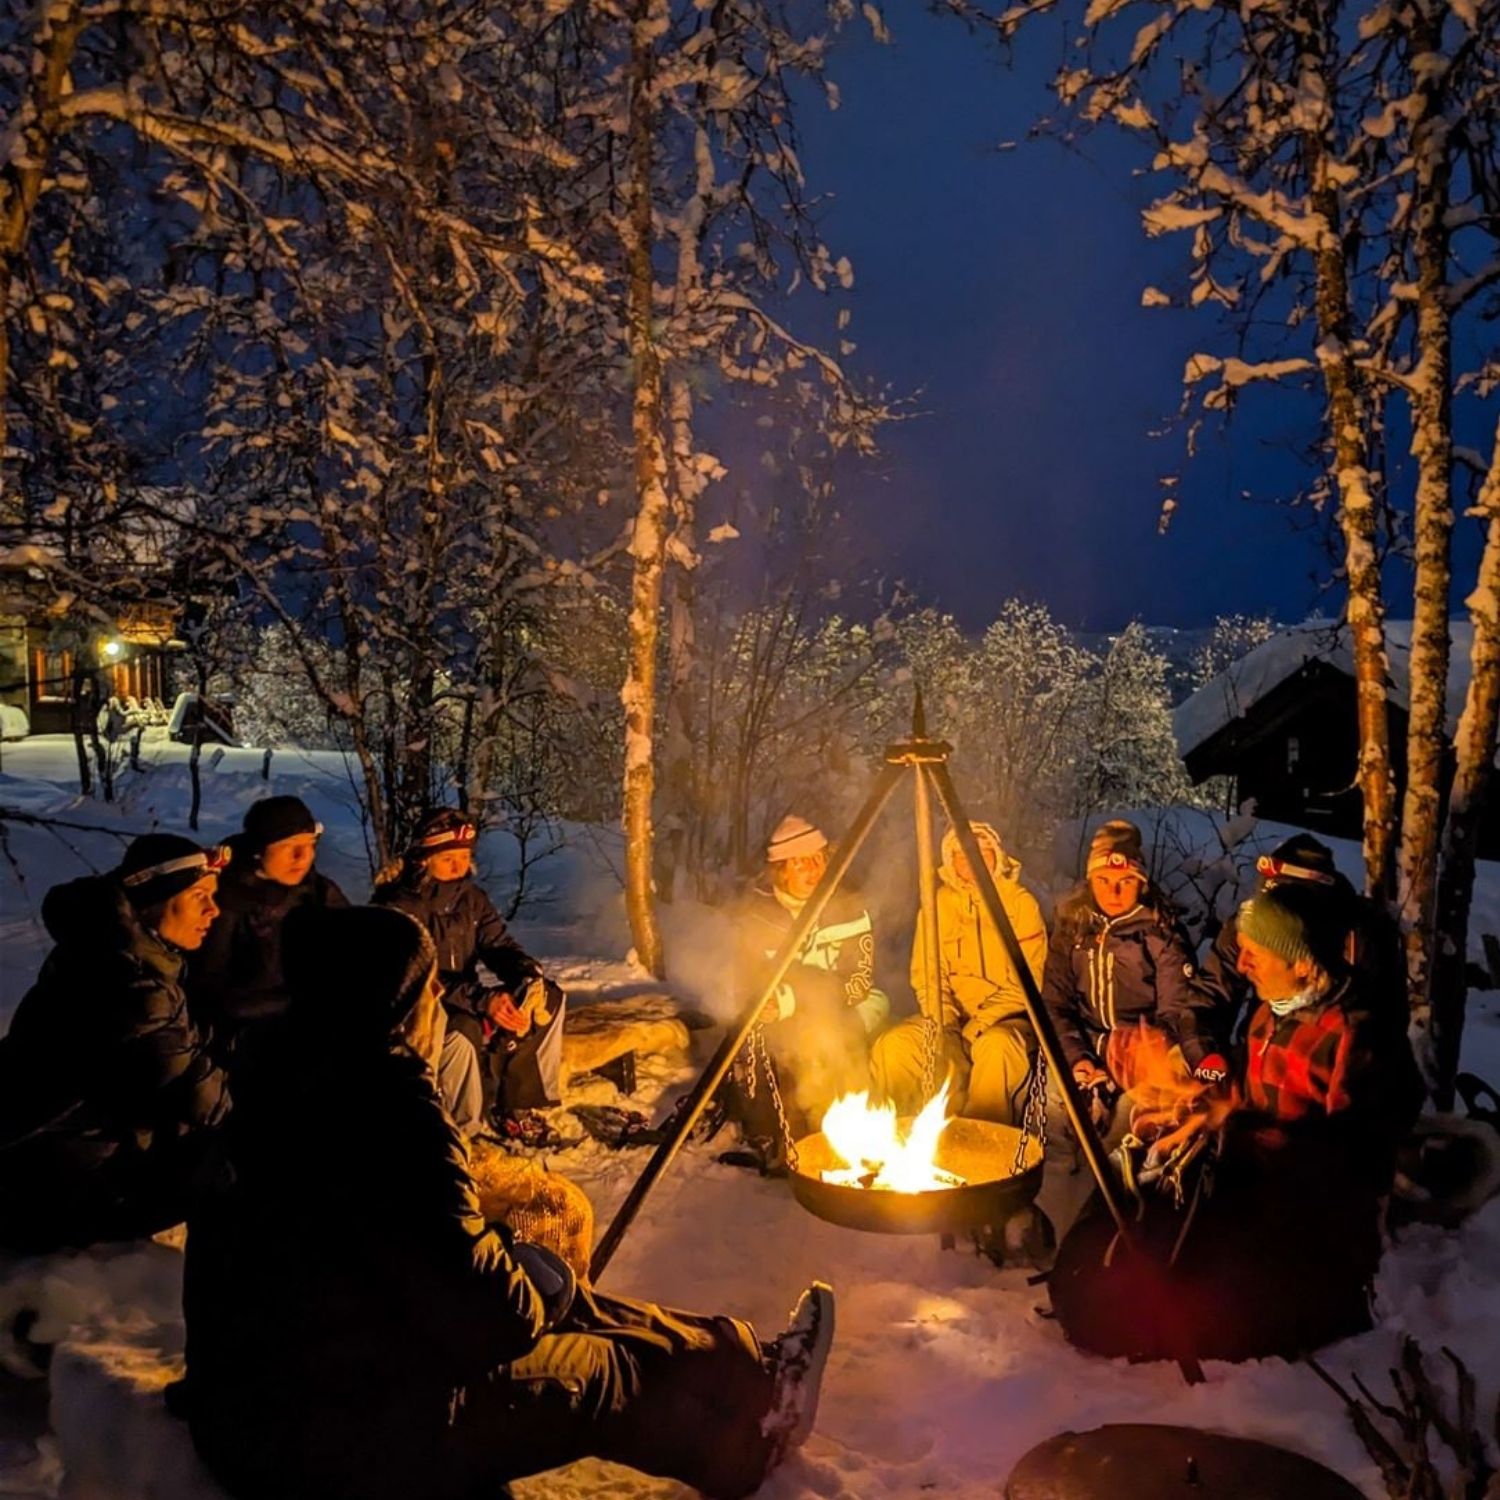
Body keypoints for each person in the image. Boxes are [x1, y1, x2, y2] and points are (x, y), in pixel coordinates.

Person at [183, 905, 835, 1500]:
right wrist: (535, 1290)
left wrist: (527, 1276)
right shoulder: (386, 1113)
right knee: (600, 1368)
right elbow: (491, 1320)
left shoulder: (277, 1083)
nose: (441, 1002)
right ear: (397, 1005)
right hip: (326, 1443)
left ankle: (742, 1359)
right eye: (432, 990)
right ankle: (747, 1449)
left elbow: (387, 1259)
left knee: (563, 1292)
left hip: (261, 1398)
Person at [1049, 880, 1424, 1363]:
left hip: (1310, 1238)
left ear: (1303, 964)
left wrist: (1230, 1128)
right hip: (1249, 1196)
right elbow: (1253, 1103)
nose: (1241, 965)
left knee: (1172, 1311)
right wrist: (1188, 1095)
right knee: (1122, 1269)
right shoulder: (1273, 1012)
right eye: (1242, 952)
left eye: (1255, 955)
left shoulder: (1357, 1039)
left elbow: (1349, 1168)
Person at [192, 796, 484, 1135]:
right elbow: (211, 991)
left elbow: (358, 948)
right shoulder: (225, 901)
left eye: (309, 845)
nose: (303, 857)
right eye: (290, 847)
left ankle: (433, 1128)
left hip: (324, 1022)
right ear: (261, 849)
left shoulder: (317, 891)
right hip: (255, 1040)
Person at [0, 835, 231, 1253]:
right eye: (199, 896)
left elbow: (186, 1042)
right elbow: (198, 1098)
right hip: (56, 1191)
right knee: (235, 1155)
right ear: (153, 902)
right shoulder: (130, 983)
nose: (214, 911)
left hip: (40, 1161)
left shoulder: (111, 953)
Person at [373, 808, 564, 1139]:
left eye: (464, 856)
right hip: (421, 1007)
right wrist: (483, 1000)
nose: (459, 865)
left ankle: (517, 1105)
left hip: (468, 997)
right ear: (423, 858)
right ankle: (467, 1132)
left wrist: (525, 974)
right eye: (448, 858)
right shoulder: (398, 906)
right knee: (463, 1031)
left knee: (544, 997)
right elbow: (417, 979)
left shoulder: (471, 899)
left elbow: (498, 945)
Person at [724, 815, 885, 1170]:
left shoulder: (848, 907)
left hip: (850, 1005)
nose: (813, 869)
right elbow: (749, 982)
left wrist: (798, 997)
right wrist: (766, 1005)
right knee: (774, 1037)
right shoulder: (759, 917)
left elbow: (858, 979)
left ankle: (836, 1140)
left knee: (825, 1032)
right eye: (800, 862)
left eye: (818, 858)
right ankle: (789, 1140)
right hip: (784, 1014)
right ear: (781, 870)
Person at [1041, 819, 1225, 1108]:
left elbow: (1176, 1012)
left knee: (1127, 1120)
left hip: (1140, 1055)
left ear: (1140, 884)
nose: (1113, 892)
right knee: (1055, 1110)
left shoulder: (1160, 933)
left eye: (1125, 882)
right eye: (1104, 881)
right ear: (1090, 881)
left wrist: (1127, 1061)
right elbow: (1056, 1003)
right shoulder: (1072, 927)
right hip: (1082, 1047)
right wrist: (1078, 1058)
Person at [871, 821, 1046, 1124]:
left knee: (996, 1048)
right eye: (963, 855)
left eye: (982, 853)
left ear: (997, 856)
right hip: (948, 1018)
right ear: (951, 862)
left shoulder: (1020, 905)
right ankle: (901, 1137)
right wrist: (947, 1024)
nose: (972, 861)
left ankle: (984, 1141)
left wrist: (975, 1027)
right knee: (896, 1045)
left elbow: (1027, 983)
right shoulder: (936, 905)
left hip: (1006, 1019)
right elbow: (927, 974)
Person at [1195, 831, 1406, 1048]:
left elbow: (1383, 1028)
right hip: (1264, 1047)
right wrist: (1203, 1053)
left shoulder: (1362, 935)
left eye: (1280, 906)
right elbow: (1211, 992)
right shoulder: (1252, 922)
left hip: (1324, 1057)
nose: (1269, 917)